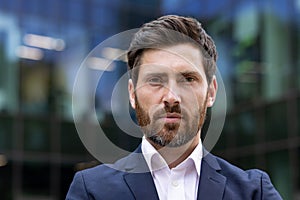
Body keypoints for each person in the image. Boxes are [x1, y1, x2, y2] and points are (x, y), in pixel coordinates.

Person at [66, 15, 282, 200]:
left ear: (212, 92)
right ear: (132, 94)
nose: (171, 97)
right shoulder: (92, 191)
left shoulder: (254, 192)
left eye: (188, 79)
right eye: (155, 80)